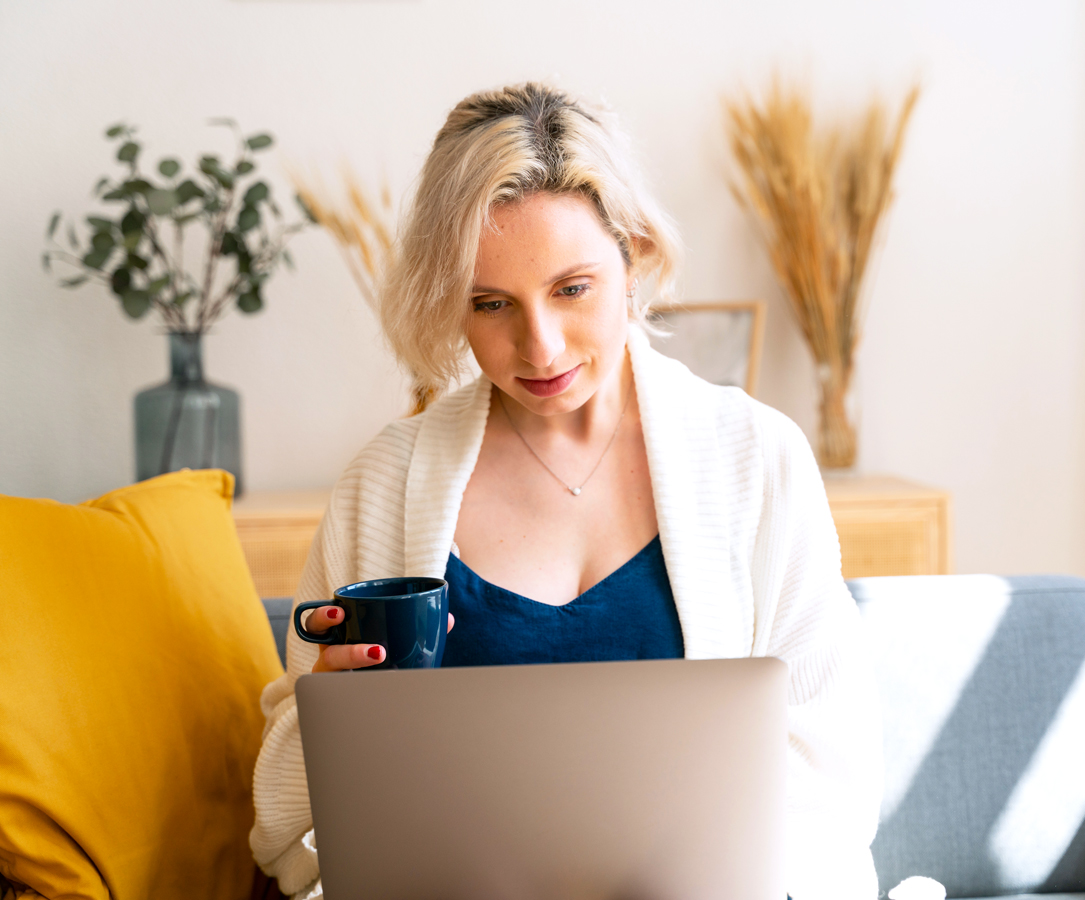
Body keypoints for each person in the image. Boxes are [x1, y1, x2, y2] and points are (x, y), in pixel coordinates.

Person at [250, 82, 882, 900]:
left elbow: (834, 768)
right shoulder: (386, 481)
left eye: (572, 288)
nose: (539, 347)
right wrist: (327, 720)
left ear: (635, 257)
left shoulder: (757, 460)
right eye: (491, 304)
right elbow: (281, 825)